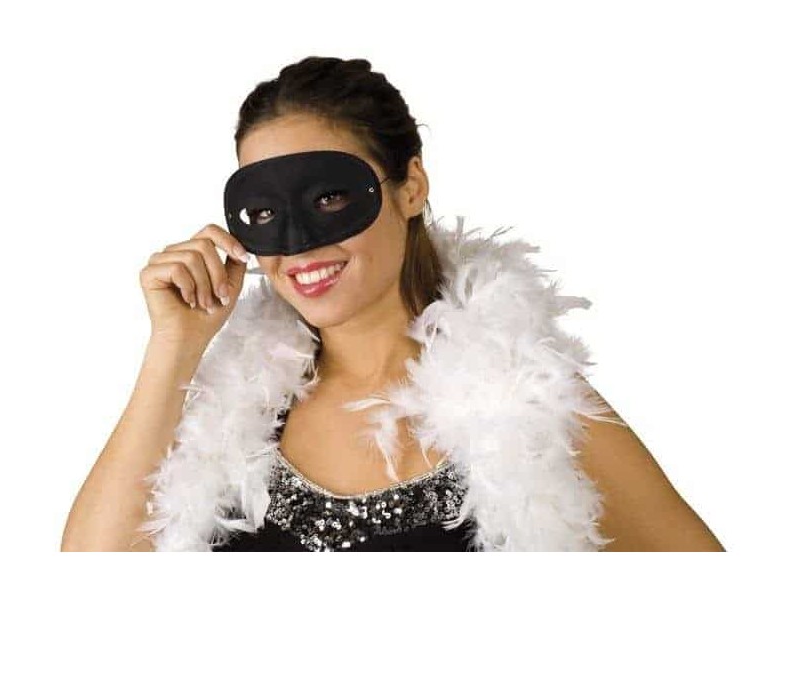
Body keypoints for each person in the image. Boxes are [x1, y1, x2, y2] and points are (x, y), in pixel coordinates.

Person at [61, 56, 725, 552]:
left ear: (411, 187)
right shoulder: (229, 412)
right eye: (263, 213)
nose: (300, 244)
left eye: (329, 198)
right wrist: (174, 348)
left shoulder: (532, 406)